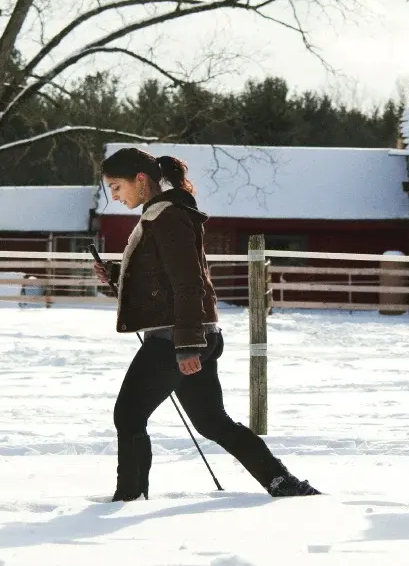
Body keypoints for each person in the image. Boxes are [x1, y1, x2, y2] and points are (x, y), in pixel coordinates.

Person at [94, 147, 321, 501]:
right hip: (193, 334)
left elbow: (188, 283)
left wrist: (186, 346)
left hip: (177, 338)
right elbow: (164, 280)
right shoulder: (163, 214)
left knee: (129, 414)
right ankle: (282, 482)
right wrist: (117, 275)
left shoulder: (167, 216)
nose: (115, 196)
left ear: (140, 179)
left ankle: (130, 497)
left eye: (117, 186)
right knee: (212, 422)